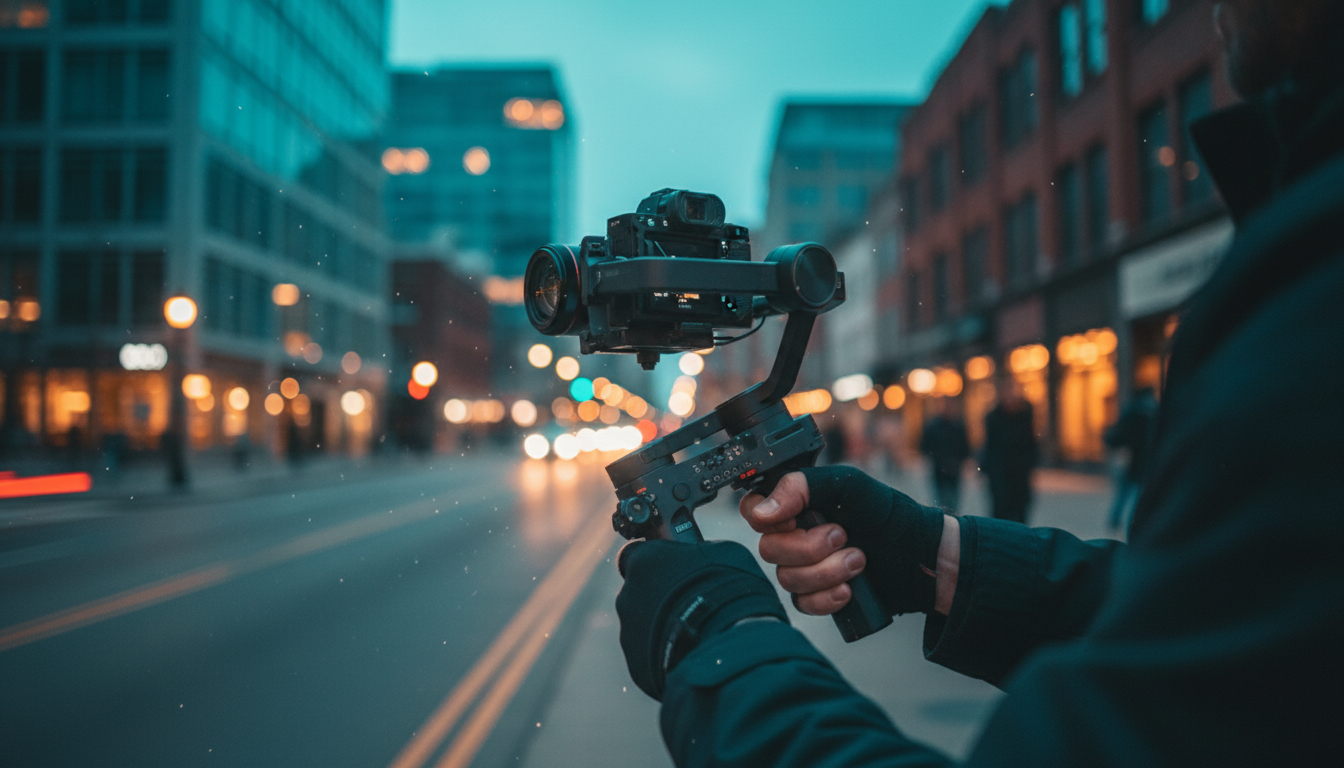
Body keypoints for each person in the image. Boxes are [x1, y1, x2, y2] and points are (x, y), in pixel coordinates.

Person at [614, 2, 1344, 764]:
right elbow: (1215, 631)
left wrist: (722, 643)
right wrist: (937, 555)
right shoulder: (1300, 247)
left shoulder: (1312, 294)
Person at [978, 377, 1037, 523]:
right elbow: (989, 445)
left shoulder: (1025, 415)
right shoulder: (993, 417)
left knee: (1020, 513)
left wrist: (1030, 462)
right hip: (1000, 474)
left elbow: (1031, 443)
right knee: (1001, 513)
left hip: (1019, 474)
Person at [1103, 386, 1158, 531]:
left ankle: (1117, 520)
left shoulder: (1132, 413)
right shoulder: (1155, 413)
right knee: (1135, 496)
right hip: (1144, 462)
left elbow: (1118, 436)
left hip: (1131, 460)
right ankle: (1131, 523)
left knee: (1125, 492)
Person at [918, 399, 971, 513]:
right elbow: (925, 446)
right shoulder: (935, 426)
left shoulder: (958, 426)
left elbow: (965, 447)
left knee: (953, 499)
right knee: (942, 498)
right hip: (940, 469)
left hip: (954, 469)